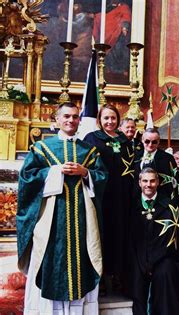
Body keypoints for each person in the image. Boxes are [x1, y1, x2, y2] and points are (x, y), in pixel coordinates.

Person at [16, 102, 108, 313]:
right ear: (57, 119)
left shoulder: (89, 150)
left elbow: (102, 178)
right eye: (66, 116)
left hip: (82, 219)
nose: (71, 120)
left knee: (81, 261)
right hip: (52, 219)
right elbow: (27, 179)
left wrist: (86, 173)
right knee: (52, 260)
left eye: (75, 117)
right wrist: (54, 172)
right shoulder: (42, 148)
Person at [83, 104, 135, 294]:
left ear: (118, 120)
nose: (110, 122)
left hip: (123, 196)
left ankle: (119, 274)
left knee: (122, 232)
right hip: (101, 195)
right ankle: (101, 275)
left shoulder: (125, 141)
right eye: (106, 118)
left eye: (113, 118)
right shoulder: (91, 139)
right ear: (99, 120)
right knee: (102, 232)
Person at [130, 168, 179, 315]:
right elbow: (130, 238)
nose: (149, 184)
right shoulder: (131, 206)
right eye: (145, 181)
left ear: (158, 182)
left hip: (162, 256)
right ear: (139, 183)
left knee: (165, 274)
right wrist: (143, 262)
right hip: (139, 256)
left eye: (152, 181)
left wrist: (152, 262)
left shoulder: (169, 206)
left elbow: (171, 240)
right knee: (136, 278)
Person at [134, 128, 177, 197]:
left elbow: (173, 181)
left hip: (160, 199)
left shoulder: (168, 158)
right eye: (147, 141)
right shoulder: (134, 156)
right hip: (136, 199)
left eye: (154, 142)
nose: (150, 145)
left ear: (158, 141)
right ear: (142, 140)